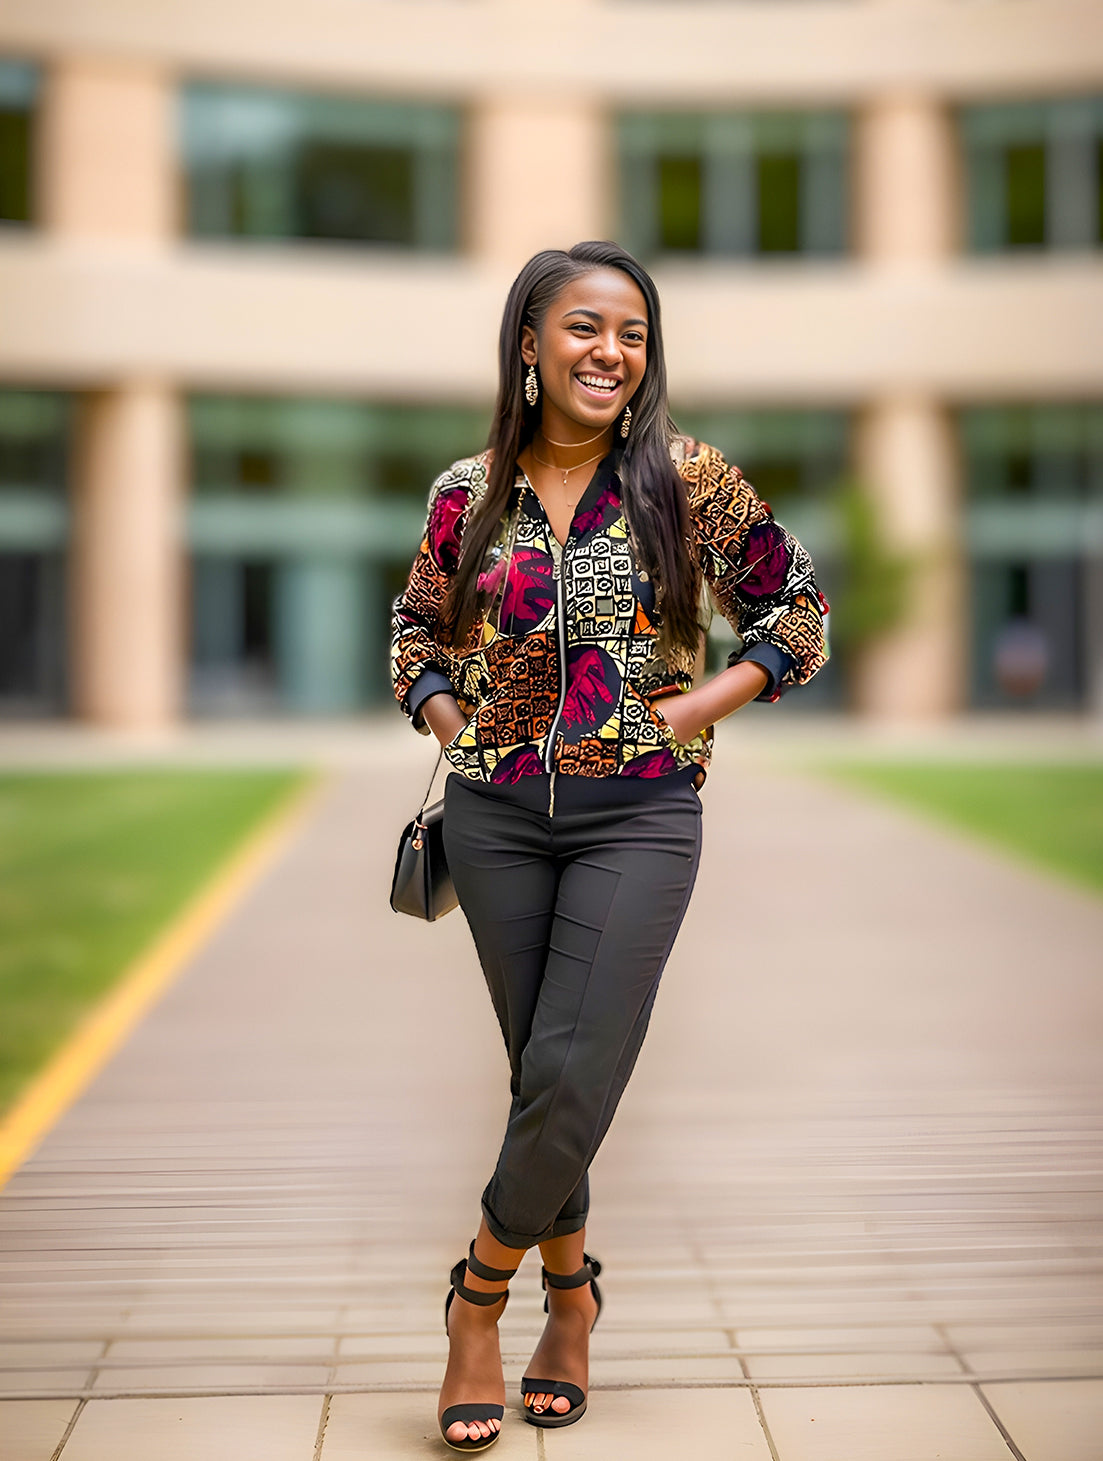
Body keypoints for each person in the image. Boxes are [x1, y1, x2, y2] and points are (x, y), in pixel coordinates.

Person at [390, 240, 829, 1452]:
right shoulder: (463, 493)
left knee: (578, 1062)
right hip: (490, 819)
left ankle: (477, 1298)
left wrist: (704, 703)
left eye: (630, 332)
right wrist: (445, 713)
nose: (609, 352)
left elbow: (799, 608)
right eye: (583, 327)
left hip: (639, 808)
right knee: (545, 1067)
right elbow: (414, 628)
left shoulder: (688, 481)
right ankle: (571, 1301)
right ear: (529, 343)